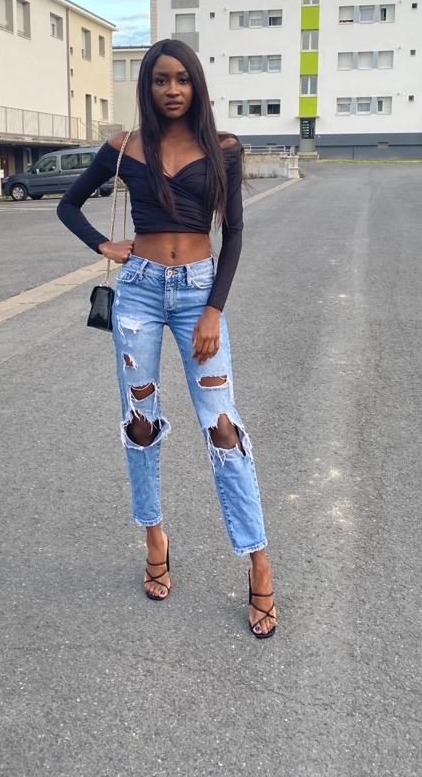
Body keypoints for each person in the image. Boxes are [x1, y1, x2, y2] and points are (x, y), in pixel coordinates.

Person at [57, 38, 277, 638]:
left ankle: (258, 560)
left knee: (223, 425)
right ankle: (154, 535)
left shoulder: (223, 148)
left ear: (195, 84)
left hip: (199, 294)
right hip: (139, 295)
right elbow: (69, 206)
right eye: (161, 80)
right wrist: (103, 245)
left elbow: (234, 235)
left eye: (182, 79)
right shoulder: (124, 148)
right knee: (140, 421)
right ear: (147, 87)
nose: (172, 89)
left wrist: (213, 310)